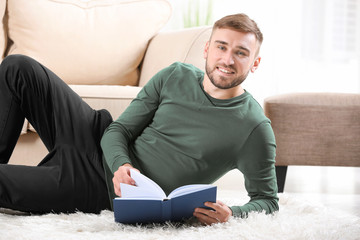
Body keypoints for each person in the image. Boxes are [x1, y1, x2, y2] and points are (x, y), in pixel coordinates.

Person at [0, 13, 278, 225]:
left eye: (241, 53)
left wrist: (233, 213)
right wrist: (122, 164)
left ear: (255, 63)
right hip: (95, 137)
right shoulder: (175, 75)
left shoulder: (254, 128)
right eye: (221, 47)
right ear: (207, 49)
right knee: (18, 67)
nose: (227, 60)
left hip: (102, 189)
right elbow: (118, 130)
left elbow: (267, 201)